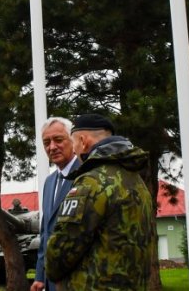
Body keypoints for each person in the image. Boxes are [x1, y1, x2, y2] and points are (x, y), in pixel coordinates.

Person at [45, 113, 153, 290]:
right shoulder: (136, 180)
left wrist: (52, 271)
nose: (74, 151)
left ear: (83, 140)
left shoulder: (92, 182)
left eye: (74, 144)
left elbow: (62, 250)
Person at [31, 117, 80, 291]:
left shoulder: (86, 175)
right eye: (46, 142)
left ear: (73, 140)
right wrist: (40, 276)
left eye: (58, 140)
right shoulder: (49, 182)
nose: (52, 147)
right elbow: (46, 231)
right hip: (52, 281)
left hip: (78, 279)